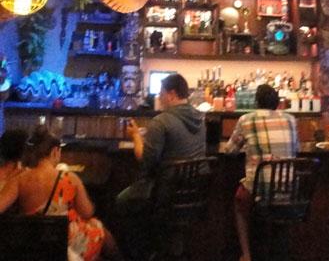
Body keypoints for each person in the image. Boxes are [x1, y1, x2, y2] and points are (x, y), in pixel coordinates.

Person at [115, 73, 206, 259]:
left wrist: (135, 136)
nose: (159, 98)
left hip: (164, 193)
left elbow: (145, 160)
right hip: (193, 193)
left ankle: (138, 254)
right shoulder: (200, 120)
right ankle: (170, 250)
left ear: (171, 94)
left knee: (121, 201)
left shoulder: (161, 121)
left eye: (161, 93)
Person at [0, 125, 122, 261]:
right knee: (98, 227)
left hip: (31, 244)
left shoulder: (19, 180)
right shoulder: (70, 178)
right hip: (64, 245)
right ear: (55, 151)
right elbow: (87, 212)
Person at [224, 84, 299, 261]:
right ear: (277, 103)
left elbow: (229, 151)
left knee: (239, 203)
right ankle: (279, 250)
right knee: (278, 209)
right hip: (290, 191)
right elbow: (296, 149)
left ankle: (246, 254)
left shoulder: (246, 120)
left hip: (260, 193)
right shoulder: (291, 119)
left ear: (256, 102)